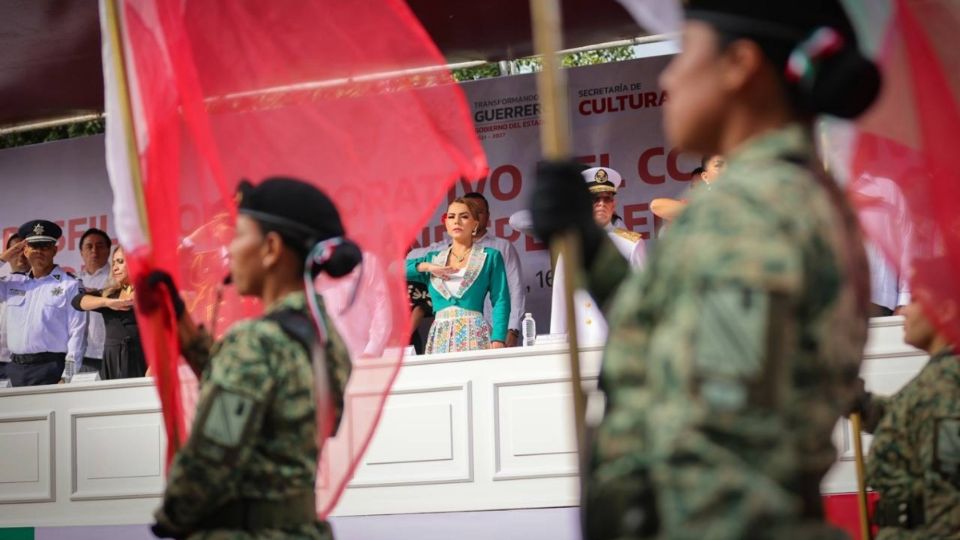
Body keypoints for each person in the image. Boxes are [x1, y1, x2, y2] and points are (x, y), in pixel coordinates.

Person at [531, 1, 879, 536]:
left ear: (739, 65)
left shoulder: (755, 212)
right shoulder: (771, 199)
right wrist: (590, 249)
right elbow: (675, 344)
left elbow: (718, 458)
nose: (669, 75)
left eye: (685, 51)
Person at [148, 177, 357, 539]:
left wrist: (173, 514)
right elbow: (263, 393)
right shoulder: (325, 339)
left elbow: (210, 458)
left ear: (271, 248)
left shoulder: (255, 342)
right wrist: (189, 334)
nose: (229, 249)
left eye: (239, 235)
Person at [847, 267, 960, 537]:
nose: (905, 311)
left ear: (945, 311)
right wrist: (853, 398)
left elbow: (950, 505)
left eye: (916, 301)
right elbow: (900, 417)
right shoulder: (935, 378)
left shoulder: (948, 386)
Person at [550, 167, 646, 344]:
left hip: (618, 342)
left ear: (614, 204)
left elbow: (643, 296)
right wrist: (557, 342)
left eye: (607, 199)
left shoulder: (632, 244)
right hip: (581, 341)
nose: (601, 204)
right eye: (595, 199)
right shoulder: (570, 247)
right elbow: (560, 298)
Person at [406, 197, 510, 354]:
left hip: (475, 334)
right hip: (440, 337)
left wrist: (498, 338)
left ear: (475, 224)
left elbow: (501, 299)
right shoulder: (433, 259)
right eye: (451, 217)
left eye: (464, 216)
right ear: (446, 224)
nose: (457, 221)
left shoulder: (489, 257)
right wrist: (426, 266)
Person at [0, 221, 88, 386]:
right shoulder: (13, 282)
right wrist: (4, 257)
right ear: (24, 250)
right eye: (34, 246)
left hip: (51, 369)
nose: (39, 251)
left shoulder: (69, 284)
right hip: (14, 370)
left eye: (45, 246)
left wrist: (68, 377)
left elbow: (78, 335)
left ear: (54, 250)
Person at [71, 246, 146, 380]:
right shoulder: (110, 294)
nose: (115, 267)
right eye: (114, 262)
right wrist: (107, 303)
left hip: (141, 360)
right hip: (111, 360)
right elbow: (77, 302)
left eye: (121, 262)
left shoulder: (150, 293)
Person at [463, 192, 526, 347]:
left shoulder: (502, 247)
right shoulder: (451, 250)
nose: (475, 216)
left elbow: (516, 289)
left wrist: (512, 330)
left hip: (498, 332)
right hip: (464, 332)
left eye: (480, 211)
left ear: (488, 216)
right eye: (469, 212)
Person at [650, 154, 727, 223]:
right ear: (705, 177)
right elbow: (656, 205)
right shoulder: (700, 204)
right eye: (718, 166)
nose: (726, 170)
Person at [77, 228, 113, 374]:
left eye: (100, 246)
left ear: (109, 250)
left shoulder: (116, 278)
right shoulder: (74, 280)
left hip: (107, 353)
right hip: (79, 354)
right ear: (81, 252)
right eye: (89, 246)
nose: (94, 251)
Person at [0, 233, 30, 380]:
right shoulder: (3, 283)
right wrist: (3, 257)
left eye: (24, 251)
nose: (20, 256)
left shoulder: (43, 282)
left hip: (25, 363)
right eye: (15, 251)